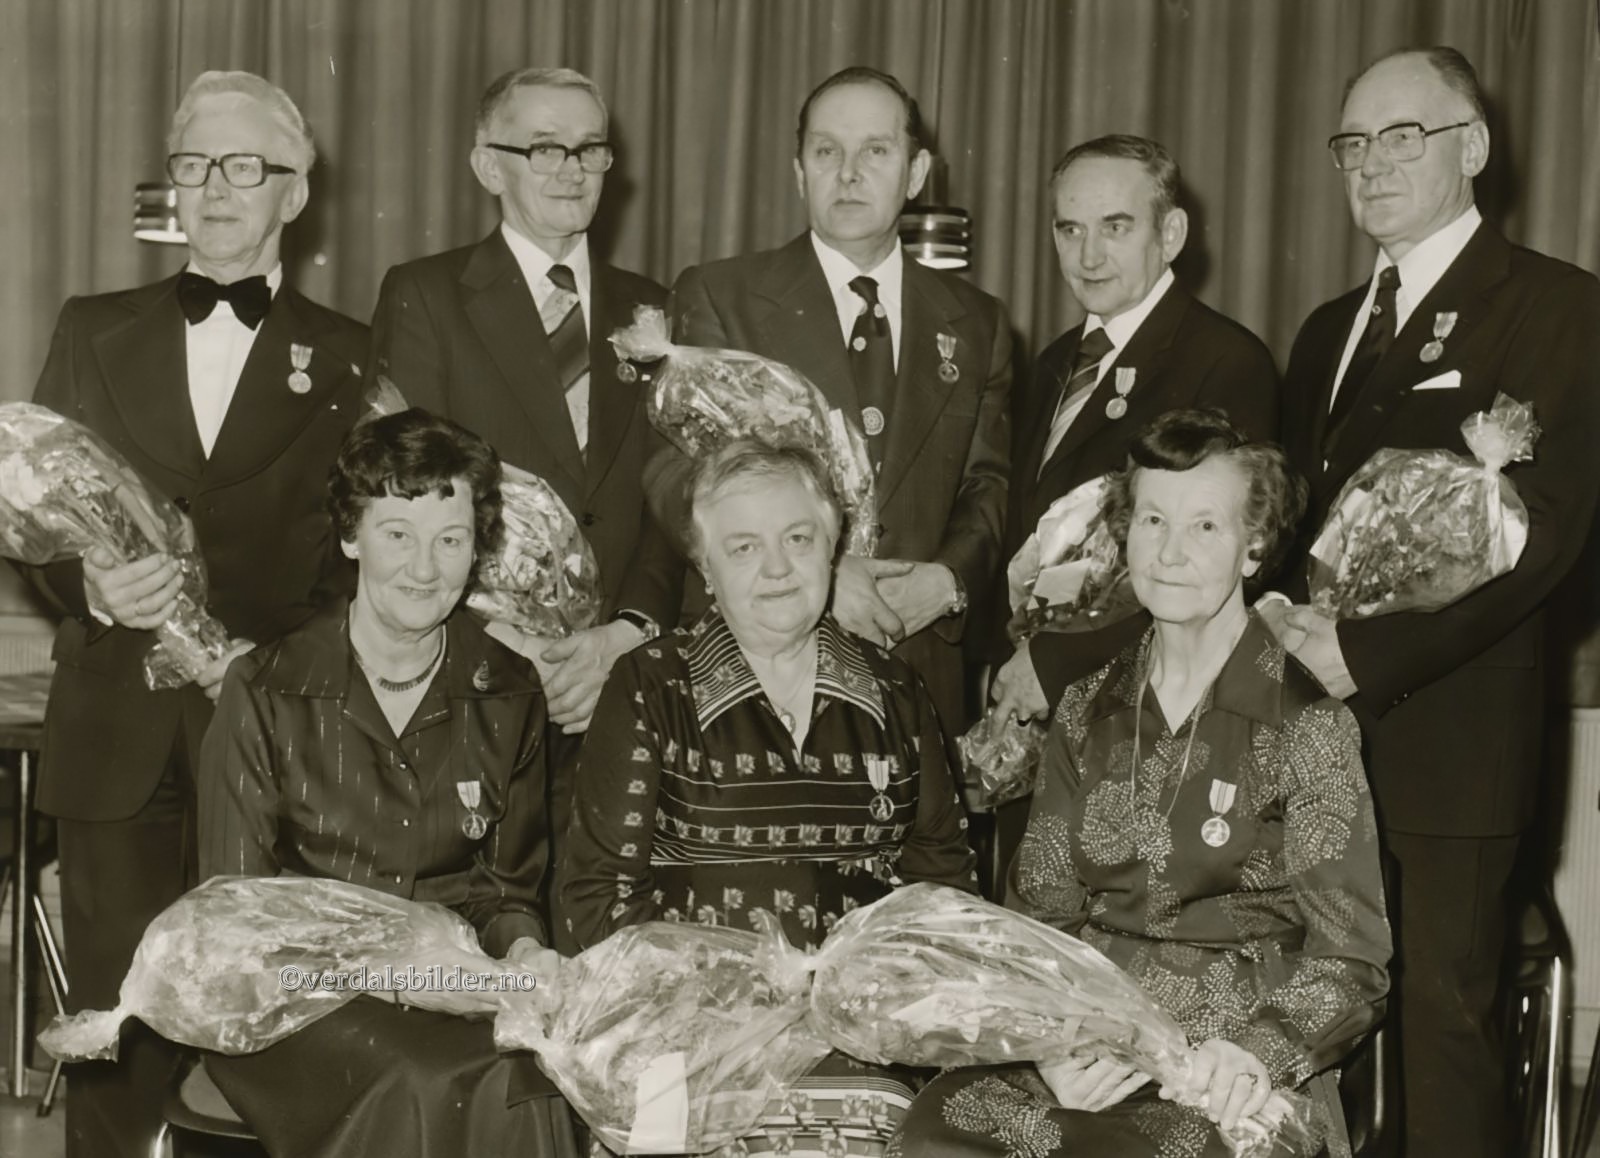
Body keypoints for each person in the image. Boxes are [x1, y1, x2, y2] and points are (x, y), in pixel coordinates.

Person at [24, 70, 368, 1157]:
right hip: (115, 732)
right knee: (114, 1030)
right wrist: (86, 586)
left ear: (295, 192)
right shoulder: (91, 327)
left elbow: (365, 556)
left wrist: (273, 664)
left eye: (245, 167)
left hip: (273, 732)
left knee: (264, 1035)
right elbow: (37, 518)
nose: (216, 188)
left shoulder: (354, 353)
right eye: (195, 164)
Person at [894, 410, 1391, 1158]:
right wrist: (1050, 1047)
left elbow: (1352, 961)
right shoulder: (1086, 710)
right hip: (1089, 1040)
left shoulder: (1308, 726)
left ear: (1254, 546)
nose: (1170, 552)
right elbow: (1039, 922)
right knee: (936, 1137)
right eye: (1154, 521)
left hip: (1231, 1063)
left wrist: (1254, 1053)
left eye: (1205, 527)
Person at [1266, 47, 1600, 1157]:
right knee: (1317, 1025)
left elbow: (1542, 539)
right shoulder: (1326, 330)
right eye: (1352, 144)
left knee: (1439, 1033)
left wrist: (1364, 655)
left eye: (1403, 136)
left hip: (1450, 741)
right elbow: (1291, 527)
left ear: (1474, 148)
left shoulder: (1556, 307)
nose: (1371, 163)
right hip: (1311, 735)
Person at [562, 439, 979, 1151]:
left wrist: (871, 1009)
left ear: (833, 547)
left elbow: (943, 890)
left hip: (862, 1036)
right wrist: (721, 1012)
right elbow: (600, 897)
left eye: (797, 539)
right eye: (744, 548)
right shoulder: (651, 685)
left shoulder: (896, 691)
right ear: (707, 569)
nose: (778, 568)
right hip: (682, 1037)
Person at [198, 408, 576, 1158]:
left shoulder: (508, 691)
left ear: (478, 549)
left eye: (450, 540)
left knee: (535, 1074)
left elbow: (506, 894)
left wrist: (527, 958)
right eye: (398, 534)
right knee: (432, 1079)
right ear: (351, 536)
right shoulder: (265, 688)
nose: (425, 570)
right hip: (292, 1003)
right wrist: (392, 975)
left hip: (459, 992)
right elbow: (236, 924)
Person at [368, 68, 682, 930]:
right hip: (482, 683)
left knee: (605, 943)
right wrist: (514, 649)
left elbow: (676, 495)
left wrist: (626, 634)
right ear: (487, 165)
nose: (570, 168)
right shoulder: (427, 295)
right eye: (543, 147)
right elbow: (409, 494)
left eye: (588, 148)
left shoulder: (655, 307)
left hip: (623, 685)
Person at [652, 65, 1013, 735]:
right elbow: (676, 473)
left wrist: (948, 582)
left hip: (918, 664)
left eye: (875, 150)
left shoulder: (978, 321)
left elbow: (987, 484)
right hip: (758, 665)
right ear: (799, 173)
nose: (849, 173)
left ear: (915, 172)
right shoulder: (722, 295)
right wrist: (813, 569)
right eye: (827, 151)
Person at [980, 134, 1279, 890]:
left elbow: (1211, 569)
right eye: (1069, 229)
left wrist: (1053, 664)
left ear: (1169, 233)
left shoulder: (1222, 360)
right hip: (1043, 722)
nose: (1088, 255)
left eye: (1116, 227)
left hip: (1149, 726)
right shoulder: (1055, 362)